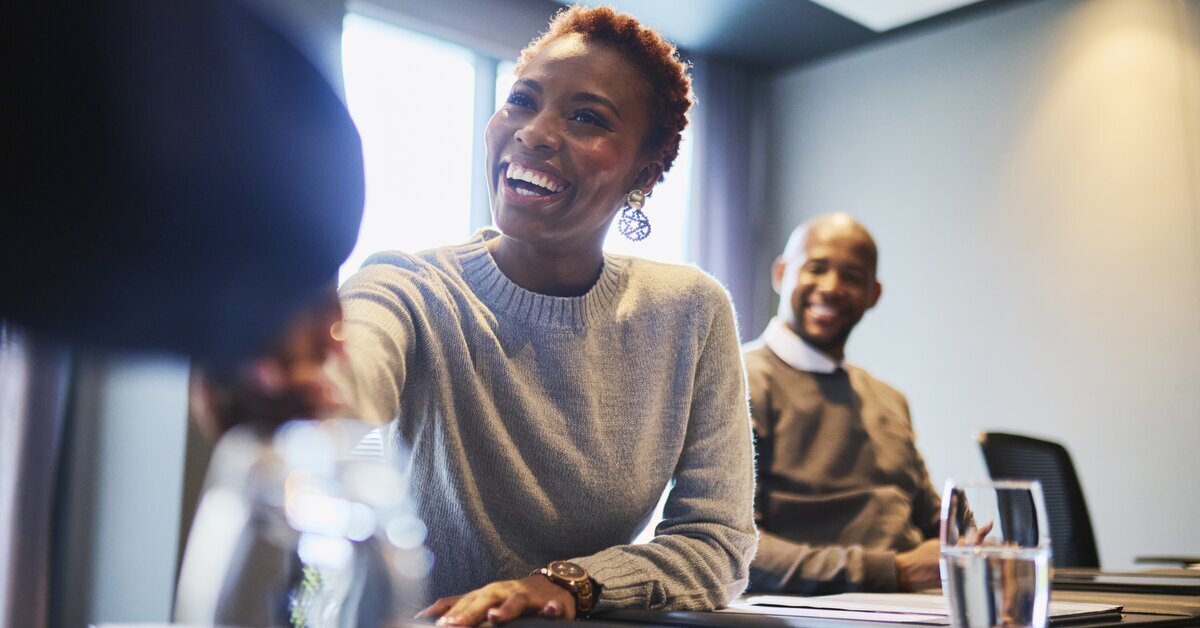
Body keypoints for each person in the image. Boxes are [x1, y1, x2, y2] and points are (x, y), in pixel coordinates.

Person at [195, 6, 755, 626]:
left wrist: (564, 585)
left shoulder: (690, 311)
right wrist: (294, 377)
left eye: (587, 118)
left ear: (643, 173)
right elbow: (354, 362)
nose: (536, 133)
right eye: (522, 100)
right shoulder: (411, 284)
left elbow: (716, 544)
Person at [743, 213, 942, 595]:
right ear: (782, 274)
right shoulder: (739, 384)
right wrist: (894, 571)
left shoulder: (889, 399)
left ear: (873, 295)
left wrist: (978, 551)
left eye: (851, 277)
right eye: (816, 268)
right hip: (817, 611)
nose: (831, 287)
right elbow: (735, 548)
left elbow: (937, 524)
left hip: (917, 606)